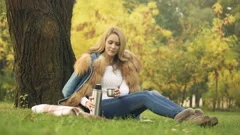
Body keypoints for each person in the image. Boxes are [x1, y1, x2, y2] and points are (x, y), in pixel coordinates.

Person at [58, 26, 218, 127]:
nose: (113, 47)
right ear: (104, 41)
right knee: (146, 96)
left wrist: (112, 93)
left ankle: (192, 116)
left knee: (152, 94)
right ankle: (186, 117)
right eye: (111, 42)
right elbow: (67, 91)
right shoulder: (90, 60)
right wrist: (87, 102)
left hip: (119, 104)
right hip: (100, 108)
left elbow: (124, 91)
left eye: (118, 44)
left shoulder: (124, 63)